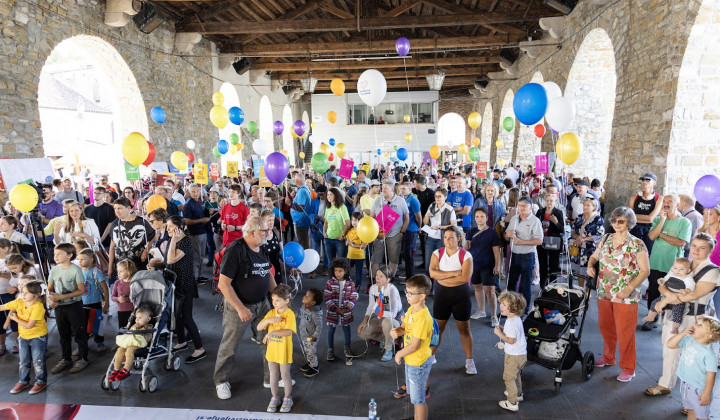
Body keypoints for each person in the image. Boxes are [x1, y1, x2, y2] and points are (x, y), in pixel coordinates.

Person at [645, 233, 720, 397]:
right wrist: (666, 296)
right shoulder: (682, 264)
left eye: (702, 248)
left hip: (695, 319)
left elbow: (693, 295)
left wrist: (665, 301)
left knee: (694, 358)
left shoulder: (713, 271)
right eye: (694, 246)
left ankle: (695, 397)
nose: (696, 250)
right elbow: (664, 284)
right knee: (669, 349)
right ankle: (665, 384)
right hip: (674, 314)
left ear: (710, 250)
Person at [214, 216, 277, 400]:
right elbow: (224, 285)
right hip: (238, 307)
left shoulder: (262, 246)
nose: (268, 234)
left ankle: (270, 377)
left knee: (268, 340)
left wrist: (277, 295)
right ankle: (221, 381)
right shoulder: (236, 250)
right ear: (251, 232)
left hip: (262, 304)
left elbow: (268, 272)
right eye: (264, 231)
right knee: (229, 345)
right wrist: (241, 309)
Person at [587, 207, 649, 383]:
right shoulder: (606, 239)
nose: (616, 224)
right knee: (606, 326)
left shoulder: (637, 244)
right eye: (613, 221)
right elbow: (594, 257)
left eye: (620, 221)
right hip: (604, 291)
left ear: (629, 222)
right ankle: (608, 357)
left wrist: (629, 288)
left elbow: (645, 271)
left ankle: (629, 368)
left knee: (625, 332)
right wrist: (590, 266)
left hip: (625, 294)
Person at [429, 226, 476, 375]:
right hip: (442, 295)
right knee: (438, 329)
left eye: (451, 237)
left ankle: (469, 361)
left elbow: (464, 278)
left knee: (464, 329)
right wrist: (455, 272)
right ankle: (430, 356)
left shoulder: (466, 256)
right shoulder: (437, 253)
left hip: (460, 296)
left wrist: (442, 275)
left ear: (459, 238)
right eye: (445, 237)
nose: (447, 240)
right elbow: (432, 273)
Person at [643, 194, 692, 331]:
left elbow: (681, 242)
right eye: (664, 202)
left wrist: (662, 235)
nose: (666, 204)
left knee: (671, 293)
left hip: (674, 267)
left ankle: (670, 322)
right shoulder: (659, 219)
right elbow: (652, 236)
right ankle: (651, 318)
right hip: (656, 262)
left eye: (670, 202)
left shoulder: (684, 222)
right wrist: (662, 221)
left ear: (678, 204)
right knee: (653, 292)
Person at [390, 274, 434, 420]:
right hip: (411, 360)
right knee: (415, 396)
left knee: (418, 400)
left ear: (422, 296)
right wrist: (397, 331)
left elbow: (415, 345)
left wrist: (398, 354)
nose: (407, 296)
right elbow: (404, 328)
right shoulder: (412, 309)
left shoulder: (422, 318)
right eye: (406, 292)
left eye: (411, 293)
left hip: (418, 362)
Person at [163, 216, 205, 363]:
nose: (167, 229)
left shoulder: (186, 241)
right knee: (176, 315)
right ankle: (181, 341)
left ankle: (200, 348)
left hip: (185, 283)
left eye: (170, 227)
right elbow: (166, 261)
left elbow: (170, 260)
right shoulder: (171, 240)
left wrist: (173, 240)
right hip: (174, 283)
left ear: (179, 228)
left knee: (186, 317)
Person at [666, 315, 720, 420]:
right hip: (686, 385)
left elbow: (711, 376)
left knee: (702, 416)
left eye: (700, 325)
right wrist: (682, 334)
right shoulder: (688, 339)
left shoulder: (709, 354)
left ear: (708, 335)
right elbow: (670, 345)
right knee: (691, 411)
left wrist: (706, 394)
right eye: (696, 322)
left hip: (699, 390)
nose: (694, 325)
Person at [47, 243, 88, 374]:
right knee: (63, 334)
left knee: (79, 332)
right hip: (59, 307)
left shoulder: (75, 269)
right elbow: (48, 289)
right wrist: (51, 300)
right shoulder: (54, 270)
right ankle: (66, 358)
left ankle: (83, 358)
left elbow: (81, 290)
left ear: (70, 255)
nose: (56, 256)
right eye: (55, 254)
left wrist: (61, 297)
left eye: (59, 254)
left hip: (74, 306)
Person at [4, 281, 48, 395]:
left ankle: (41, 381)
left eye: (26, 293)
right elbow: (3, 306)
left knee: (38, 361)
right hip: (23, 337)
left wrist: (15, 318)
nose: (23, 295)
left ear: (37, 294)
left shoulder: (38, 307)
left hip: (38, 337)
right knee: (23, 361)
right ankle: (23, 381)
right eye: (22, 292)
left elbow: (29, 325)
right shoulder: (19, 302)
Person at [258, 284, 296, 414]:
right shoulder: (271, 313)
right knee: (273, 375)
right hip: (272, 351)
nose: (274, 303)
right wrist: (268, 321)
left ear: (286, 301)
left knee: (285, 375)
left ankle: (287, 398)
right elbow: (259, 327)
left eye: (277, 300)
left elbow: (288, 332)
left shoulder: (289, 314)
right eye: (273, 300)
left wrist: (272, 333)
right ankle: (275, 397)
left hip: (284, 350)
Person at [504, 197, 543, 313]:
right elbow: (506, 236)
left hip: (527, 256)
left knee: (526, 285)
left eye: (525, 206)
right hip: (514, 255)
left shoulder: (535, 221)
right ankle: (511, 307)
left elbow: (539, 241)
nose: (522, 208)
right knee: (511, 283)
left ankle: (525, 309)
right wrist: (507, 234)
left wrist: (522, 242)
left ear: (531, 207)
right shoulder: (514, 218)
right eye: (520, 205)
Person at [465, 208, 502, 326]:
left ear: (486, 218)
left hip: (488, 265)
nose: (479, 219)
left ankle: (494, 315)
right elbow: (466, 248)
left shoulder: (492, 233)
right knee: (477, 288)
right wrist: (463, 238)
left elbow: (496, 251)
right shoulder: (471, 231)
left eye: (482, 216)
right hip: (474, 264)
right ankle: (481, 310)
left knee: (490, 291)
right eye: (477, 217)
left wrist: (497, 265)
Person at [358, 265, 402, 361]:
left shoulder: (392, 290)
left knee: (387, 322)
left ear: (388, 279)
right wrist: (364, 321)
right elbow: (370, 306)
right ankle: (386, 339)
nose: (377, 278)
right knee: (362, 332)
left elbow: (393, 314)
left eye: (381, 276)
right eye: (377, 275)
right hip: (380, 318)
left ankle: (389, 348)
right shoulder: (373, 288)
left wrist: (379, 313)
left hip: (395, 320)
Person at [494, 291, 527, 412]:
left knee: (508, 378)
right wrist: (504, 330)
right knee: (516, 375)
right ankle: (518, 394)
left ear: (513, 308)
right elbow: (514, 335)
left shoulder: (512, 323)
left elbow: (511, 340)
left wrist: (500, 334)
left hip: (513, 356)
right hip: (521, 355)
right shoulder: (515, 319)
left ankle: (512, 402)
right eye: (501, 304)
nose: (500, 307)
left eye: (504, 305)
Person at [642, 257, 694, 334]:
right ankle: (651, 317)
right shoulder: (671, 274)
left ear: (688, 271)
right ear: (672, 268)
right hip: (666, 297)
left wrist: (686, 290)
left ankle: (675, 327)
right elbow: (665, 279)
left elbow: (691, 286)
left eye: (681, 269)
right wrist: (661, 280)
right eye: (675, 268)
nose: (678, 271)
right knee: (654, 302)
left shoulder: (687, 278)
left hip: (678, 300)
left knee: (677, 314)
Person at [370, 179, 409, 280]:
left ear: (392, 189)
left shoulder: (401, 201)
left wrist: (402, 232)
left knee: (393, 258)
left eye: (385, 188)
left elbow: (406, 218)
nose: (383, 190)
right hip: (379, 234)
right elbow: (372, 215)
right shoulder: (378, 200)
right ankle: (374, 280)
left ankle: (390, 279)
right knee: (375, 258)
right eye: (382, 188)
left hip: (395, 234)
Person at [108, 197, 154, 281]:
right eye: (115, 208)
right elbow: (112, 246)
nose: (117, 211)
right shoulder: (115, 223)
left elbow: (155, 236)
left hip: (139, 265)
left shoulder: (141, 222)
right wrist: (110, 266)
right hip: (121, 267)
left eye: (120, 208)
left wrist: (146, 250)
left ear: (128, 208)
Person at [324, 258, 358, 361]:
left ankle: (347, 348)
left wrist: (346, 308)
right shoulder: (330, 283)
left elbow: (353, 297)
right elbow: (327, 297)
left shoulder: (350, 283)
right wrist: (335, 309)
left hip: (346, 313)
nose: (337, 273)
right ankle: (330, 350)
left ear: (346, 271)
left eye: (340, 271)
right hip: (332, 313)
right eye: (335, 270)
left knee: (346, 330)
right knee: (330, 331)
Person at [109, 304, 153, 382]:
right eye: (136, 318)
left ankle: (126, 369)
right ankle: (116, 369)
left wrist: (139, 332)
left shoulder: (149, 327)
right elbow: (129, 334)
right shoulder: (134, 326)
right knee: (120, 349)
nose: (137, 320)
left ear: (148, 319)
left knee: (129, 350)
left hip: (139, 345)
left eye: (140, 318)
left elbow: (148, 339)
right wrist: (134, 328)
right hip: (129, 343)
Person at [77, 248, 109, 353]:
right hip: (81, 303)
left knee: (97, 324)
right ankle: (82, 345)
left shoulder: (96, 272)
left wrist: (107, 304)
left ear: (91, 260)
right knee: (82, 325)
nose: (80, 261)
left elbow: (105, 288)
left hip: (95, 303)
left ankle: (99, 342)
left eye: (83, 259)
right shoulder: (78, 272)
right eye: (79, 259)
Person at [422, 188, 457, 277]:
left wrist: (440, 227)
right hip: (430, 237)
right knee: (428, 264)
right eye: (436, 196)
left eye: (439, 196)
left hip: (442, 239)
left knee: (440, 264)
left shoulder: (449, 209)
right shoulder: (432, 206)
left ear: (445, 197)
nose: (437, 198)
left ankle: (438, 287)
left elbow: (453, 226)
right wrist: (427, 217)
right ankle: (429, 286)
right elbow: (425, 222)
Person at [569, 196, 605, 278]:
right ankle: (581, 289)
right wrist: (577, 237)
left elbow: (600, 236)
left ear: (594, 207)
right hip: (578, 248)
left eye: (588, 205)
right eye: (584, 205)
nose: (585, 207)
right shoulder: (579, 217)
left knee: (588, 271)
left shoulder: (598, 219)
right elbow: (572, 231)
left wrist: (584, 239)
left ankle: (587, 290)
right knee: (579, 272)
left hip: (589, 249)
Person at [536, 193, 565, 288]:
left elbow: (562, 229)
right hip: (541, 242)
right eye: (547, 200)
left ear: (555, 202)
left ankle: (553, 288)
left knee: (554, 266)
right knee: (542, 265)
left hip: (554, 242)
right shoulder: (540, 212)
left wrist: (556, 223)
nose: (549, 202)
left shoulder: (559, 212)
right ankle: (543, 287)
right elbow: (535, 226)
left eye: (551, 201)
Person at [629, 172, 661, 253]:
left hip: (650, 231)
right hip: (634, 230)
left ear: (654, 183)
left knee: (647, 253)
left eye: (648, 180)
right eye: (643, 180)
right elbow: (628, 216)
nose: (644, 182)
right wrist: (645, 218)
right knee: (632, 252)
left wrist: (634, 217)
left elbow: (650, 219)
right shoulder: (634, 197)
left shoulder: (659, 198)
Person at [183, 184, 208, 282]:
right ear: (189, 192)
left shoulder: (199, 201)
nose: (195, 193)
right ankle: (195, 278)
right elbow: (186, 221)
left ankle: (199, 275)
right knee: (196, 256)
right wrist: (201, 220)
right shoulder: (188, 204)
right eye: (193, 191)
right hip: (195, 233)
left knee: (201, 255)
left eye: (197, 191)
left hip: (202, 231)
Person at [298, 288, 323, 378]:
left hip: (311, 337)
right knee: (307, 350)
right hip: (304, 334)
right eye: (305, 294)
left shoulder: (315, 313)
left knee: (311, 352)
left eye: (308, 296)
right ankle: (310, 363)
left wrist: (314, 337)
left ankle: (314, 367)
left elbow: (319, 326)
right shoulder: (304, 306)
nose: (304, 296)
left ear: (313, 302)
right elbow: (300, 315)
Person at [323, 188, 350, 267]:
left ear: (336, 195)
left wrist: (342, 235)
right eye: (328, 194)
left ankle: (343, 279)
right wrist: (324, 233)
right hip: (328, 239)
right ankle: (332, 279)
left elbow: (347, 224)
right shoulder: (328, 207)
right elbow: (325, 222)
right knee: (331, 263)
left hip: (339, 240)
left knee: (342, 263)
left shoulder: (342, 207)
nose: (329, 196)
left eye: (331, 194)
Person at [400, 182, 422, 279]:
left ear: (410, 189)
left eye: (404, 188)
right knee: (404, 253)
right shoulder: (403, 198)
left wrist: (419, 227)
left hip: (412, 229)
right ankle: (408, 272)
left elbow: (418, 216)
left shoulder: (413, 200)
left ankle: (410, 276)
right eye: (401, 188)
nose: (402, 190)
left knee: (408, 253)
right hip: (404, 229)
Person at [111, 259, 137, 330]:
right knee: (122, 329)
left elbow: (138, 297)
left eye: (121, 271)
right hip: (121, 311)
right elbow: (113, 297)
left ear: (129, 271)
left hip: (133, 311)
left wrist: (127, 299)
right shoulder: (117, 283)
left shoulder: (134, 283)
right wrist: (118, 299)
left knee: (132, 329)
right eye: (117, 271)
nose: (118, 274)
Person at [290, 172, 313, 249]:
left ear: (296, 181)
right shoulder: (303, 189)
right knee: (304, 241)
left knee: (303, 242)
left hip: (301, 222)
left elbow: (301, 208)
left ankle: (305, 259)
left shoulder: (302, 191)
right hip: (302, 221)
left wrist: (290, 204)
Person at [345, 212, 366, 291]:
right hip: (350, 255)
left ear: (360, 221)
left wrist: (353, 245)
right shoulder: (350, 230)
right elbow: (347, 241)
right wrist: (347, 243)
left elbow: (364, 245)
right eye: (352, 220)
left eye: (355, 220)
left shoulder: (363, 231)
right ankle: (347, 285)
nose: (353, 222)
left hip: (359, 256)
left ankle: (358, 287)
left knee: (358, 273)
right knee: (347, 271)